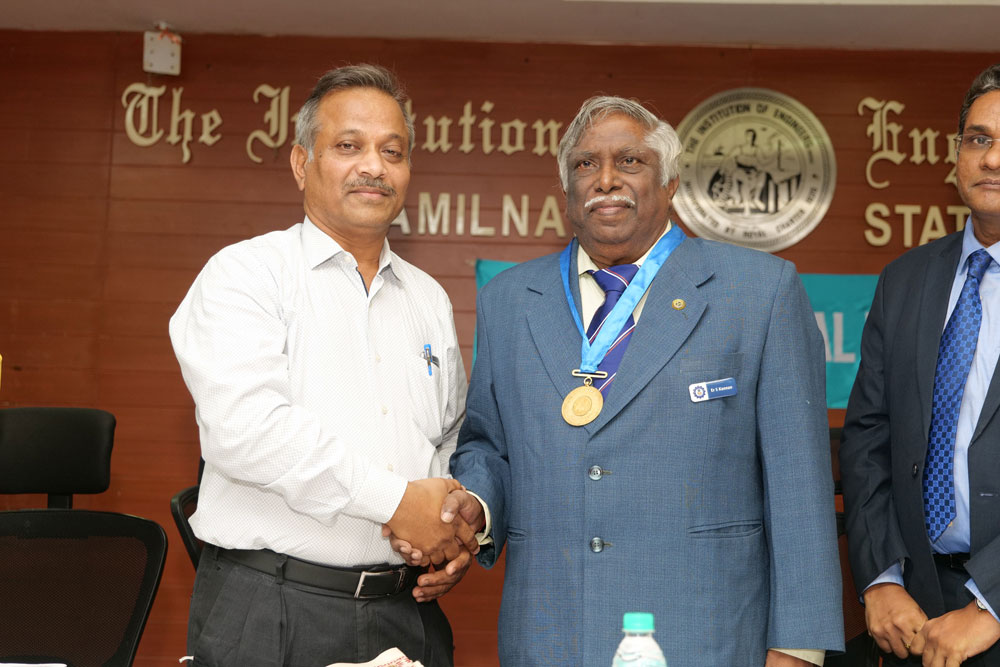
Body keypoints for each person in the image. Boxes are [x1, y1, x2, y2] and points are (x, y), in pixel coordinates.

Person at [400, 95, 843, 665]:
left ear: (671, 182)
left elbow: (799, 482)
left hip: (707, 635)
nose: (606, 179)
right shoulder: (510, 301)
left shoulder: (760, 291)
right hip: (551, 634)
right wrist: (476, 508)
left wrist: (800, 646)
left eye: (630, 161)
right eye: (586, 164)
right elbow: (488, 444)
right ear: (567, 189)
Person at [169, 64, 474, 667]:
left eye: (393, 151)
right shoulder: (246, 274)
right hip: (271, 609)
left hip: (406, 611)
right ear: (301, 163)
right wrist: (396, 502)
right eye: (348, 146)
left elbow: (447, 437)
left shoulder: (429, 298)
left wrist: (448, 529)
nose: (374, 167)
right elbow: (246, 430)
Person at [840, 63, 1000, 667]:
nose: (992, 159)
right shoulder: (904, 280)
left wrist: (990, 606)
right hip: (915, 610)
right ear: (956, 153)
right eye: (979, 139)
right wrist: (880, 577)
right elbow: (868, 437)